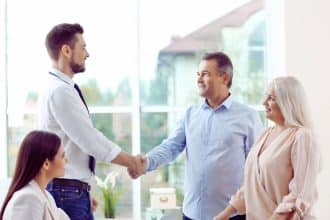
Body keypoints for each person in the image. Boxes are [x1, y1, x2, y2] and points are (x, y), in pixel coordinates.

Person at [130, 52, 263, 220]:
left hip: (231, 215)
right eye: (198, 74)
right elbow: (170, 147)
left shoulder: (248, 116)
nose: (199, 79)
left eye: (205, 74)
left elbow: (257, 169)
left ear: (224, 78)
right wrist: (146, 162)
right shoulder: (190, 114)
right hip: (191, 213)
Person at [37, 23, 143, 220]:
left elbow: (75, 143)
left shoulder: (57, 88)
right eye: (83, 47)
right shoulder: (61, 91)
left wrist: (84, 190)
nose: (87, 54)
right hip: (66, 192)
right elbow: (90, 140)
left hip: (69, 190)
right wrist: (131, 162)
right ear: (66, 50)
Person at [213, 76, 321, 220]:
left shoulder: (302, 137)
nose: (264, 102)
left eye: (271, 98)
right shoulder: (265, 134)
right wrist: (225, 214)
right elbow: (251, 186)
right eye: (266, 96)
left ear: (288, 102)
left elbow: (301, 193)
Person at [0, 130, 69, 220]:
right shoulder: (28, 198)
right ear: (46, 164)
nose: (66, 161)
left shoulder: (46, 196)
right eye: (62, 156)